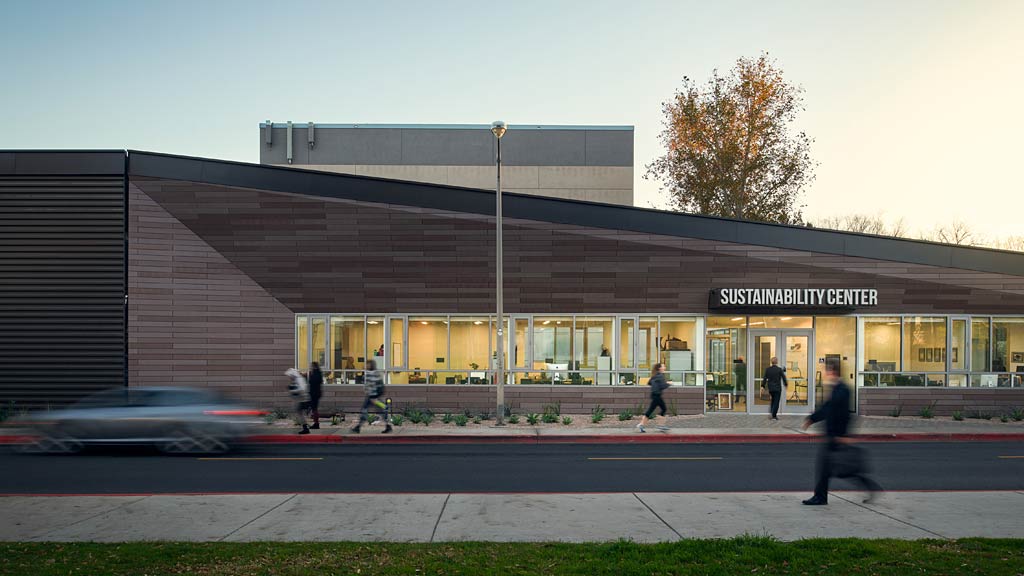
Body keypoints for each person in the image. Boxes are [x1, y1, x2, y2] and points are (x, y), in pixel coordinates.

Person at [801, 360, 882, 505]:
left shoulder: (842, 389)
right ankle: (821, 496)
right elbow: (828, 408)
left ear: (834, 371)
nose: (826, 373)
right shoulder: (836, 388)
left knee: (836, 469)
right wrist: (812, 419)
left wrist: (843, 435)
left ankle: (821, 497)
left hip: (836, 436)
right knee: (834, 469)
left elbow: (842, 413)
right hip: (833, 435)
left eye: (828, 370)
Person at [351, 359, 392, 434]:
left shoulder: (370, 373)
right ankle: (387, 425)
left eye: (367, 364)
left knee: (364, 410)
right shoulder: (376, 373)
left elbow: (371, 386)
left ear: (370, 365)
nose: (365, 365)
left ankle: (358, 427)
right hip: (374, 395)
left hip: (372, 396)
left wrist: (372, 397)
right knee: (380, 411)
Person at [637, 363, 670, 433]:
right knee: (663, 409)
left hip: (654, 395)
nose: (665, 367)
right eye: (663, 366)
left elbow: (649, 383)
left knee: (651, 410)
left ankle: (642, 425)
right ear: (660, 368)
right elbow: (663, 386)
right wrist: (669, 383)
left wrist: (656, 384)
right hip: (657, 395)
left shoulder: (655, 375)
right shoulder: (660, 376)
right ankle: (660, 425)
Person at [285, 368, 310, 435]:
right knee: (300, 413)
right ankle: (305, 427)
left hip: (302, 399)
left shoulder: (299, 379)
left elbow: (302, 389)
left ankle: (305, 427)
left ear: (292, 375)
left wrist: (293, 391)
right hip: (300, 399)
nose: (289, 377)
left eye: (290, 376)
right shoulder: (297, 379)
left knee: (299, 413)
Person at [307, 361, 324, 429]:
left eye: (311, 366)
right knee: (314, 408)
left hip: (314, 393)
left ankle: (316, 423)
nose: (310, 367)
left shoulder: (315, 373)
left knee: (314, 408)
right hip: (316, 393)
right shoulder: (318, 373)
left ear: (314, 366)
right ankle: (315, 422)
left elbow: (313, 382)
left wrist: (310, 375)